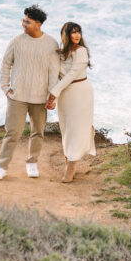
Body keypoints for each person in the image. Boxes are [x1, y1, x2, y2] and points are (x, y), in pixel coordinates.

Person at [0, 4, 60, 181]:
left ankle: (32, 163)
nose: (23, 24)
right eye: (23, 20)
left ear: (38, 24)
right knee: (12, 132)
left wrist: (52, 96)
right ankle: (1, 166)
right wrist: (5, 87)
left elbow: (54, 72)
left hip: (40, 98)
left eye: (27, 22)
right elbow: (5, 65)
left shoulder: (51, 44)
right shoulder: (16, 42)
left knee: (38, 132)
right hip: (17, 97)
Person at [46, 21, 95, 183]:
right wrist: (54, 96)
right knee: (66, 129)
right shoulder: (61, 53)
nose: (77, 35)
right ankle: (69, 159)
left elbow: (72, 75)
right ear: (66, 35)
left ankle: (71, 167)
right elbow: (58, 75)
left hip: (80, 92)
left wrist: (53, 94)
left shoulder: (81, 51)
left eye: (78, 32)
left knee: (75, 129)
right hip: (65, 94)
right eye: (73, 32)